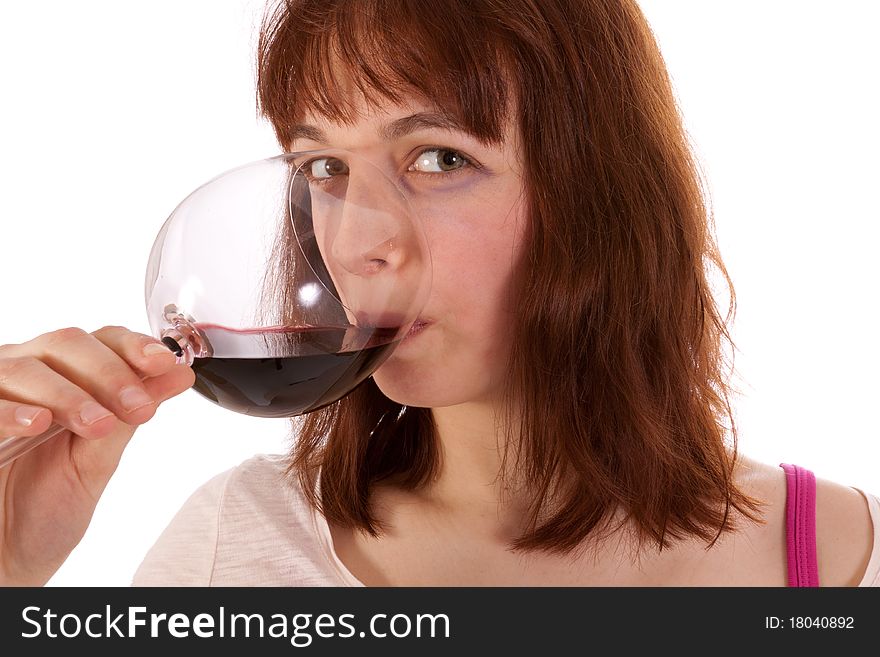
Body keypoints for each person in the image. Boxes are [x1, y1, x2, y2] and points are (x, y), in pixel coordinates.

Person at [1, 0, 877, 587]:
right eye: (325, 168)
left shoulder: (836, 557)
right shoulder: (238, 553)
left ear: (602, 196)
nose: (354, 240)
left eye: (440, 158)